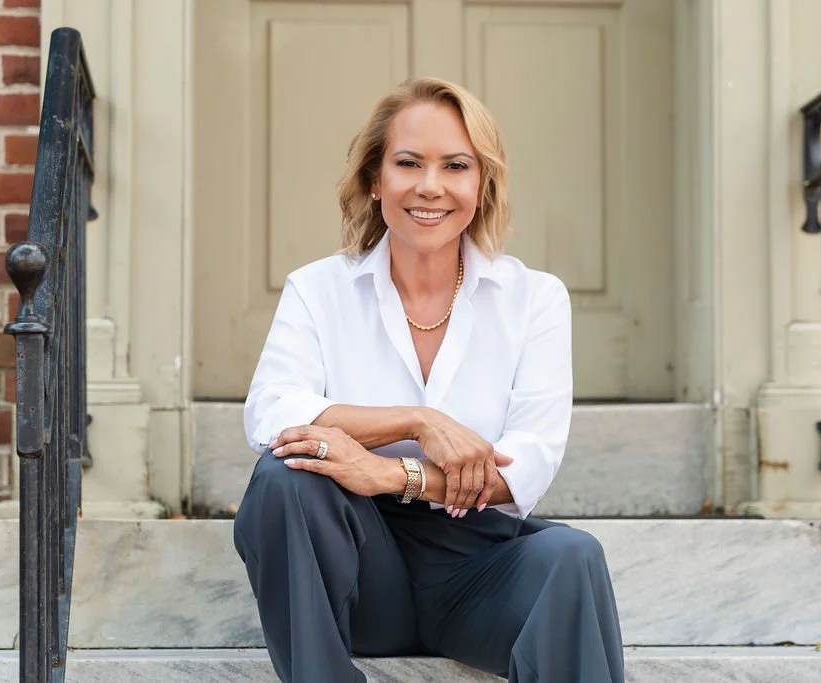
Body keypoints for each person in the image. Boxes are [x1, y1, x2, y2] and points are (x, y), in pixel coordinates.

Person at [233, 77, 624, 683]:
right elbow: (272, 412)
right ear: (374, 179)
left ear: (481, 185)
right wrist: (419, 422)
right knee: (287, 477)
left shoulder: (534, 299)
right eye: (408, 163)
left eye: (456, 166)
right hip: (358, 569)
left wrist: (389, 472)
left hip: (479, 569)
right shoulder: (319, 289)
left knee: (571, 556)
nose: (430, 186)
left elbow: (527, 466)